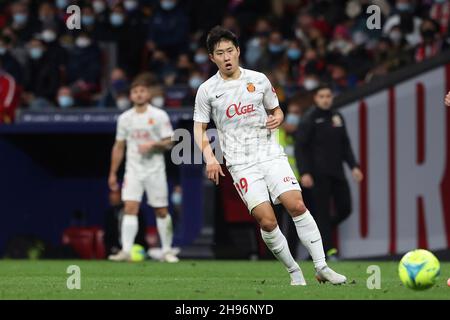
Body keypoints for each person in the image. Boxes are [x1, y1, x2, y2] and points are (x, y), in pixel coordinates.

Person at [193, 26, 346, 285]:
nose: (227, 57)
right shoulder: (207, 90)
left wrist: (278, 117)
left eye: (230, 50)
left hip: (269, 153)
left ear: (239, 51)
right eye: (220, 53)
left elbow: (276, 111)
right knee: (267, 221)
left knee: (297, 205)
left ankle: (321, 266)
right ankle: (294, 272)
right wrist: (209, 156)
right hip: (240, 163)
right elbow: (199, 128)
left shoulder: (259, 79)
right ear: (212, 58)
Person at [108, 74, 179, 263]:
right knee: (130, 207)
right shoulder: (125, 118)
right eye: (135, 92)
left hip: (155, 170)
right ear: (131, 96)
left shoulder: (158, 115)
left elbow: (170, 141)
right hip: (133, 171)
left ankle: (167, 251)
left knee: (161, 210)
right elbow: (119, 146)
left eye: (142, 91)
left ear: (148, 94)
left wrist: (153, 145)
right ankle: (126, 250)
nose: (138, 95)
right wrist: (113, 172)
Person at [295, 84, 363, 260]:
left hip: (337, 172)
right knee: (322, 213)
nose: (326, 99)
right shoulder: (309, 118)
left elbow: (345, 144)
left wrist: (354, 166)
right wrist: (305, 172)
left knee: (345, 209)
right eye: (322, 96)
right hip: (318, 175)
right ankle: (329, 251)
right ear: (315, 99)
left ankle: (320, 234)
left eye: (328, 96)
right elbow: (300, 148)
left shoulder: (337, 117)